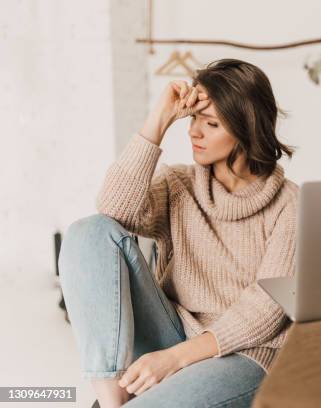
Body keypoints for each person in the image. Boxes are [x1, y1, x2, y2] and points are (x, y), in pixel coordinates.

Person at [58, 58, 297, 408]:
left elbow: (268, 309)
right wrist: (158, 122)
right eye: (194, 119)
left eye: (211, 123)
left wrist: (175, 358)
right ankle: (110, 399)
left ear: (248, 129)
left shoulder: (290, 205)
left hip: (244, 353)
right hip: (173, 331)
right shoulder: (178, 184)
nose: (194, 132)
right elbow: (111, 213)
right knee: (89, 231)